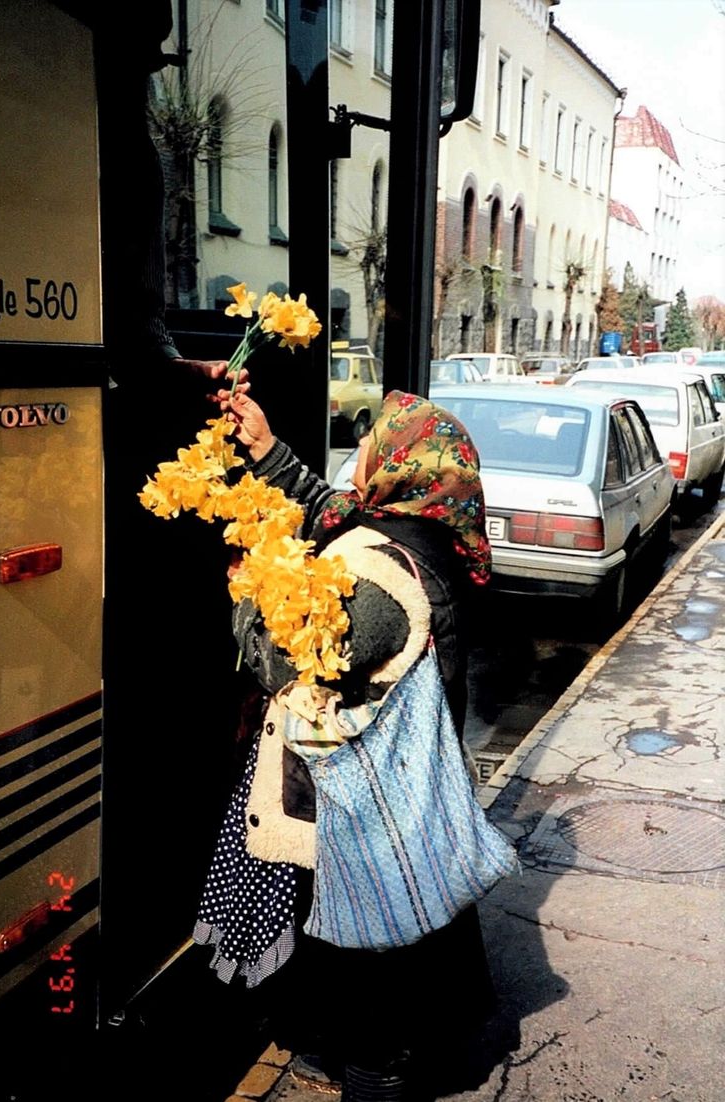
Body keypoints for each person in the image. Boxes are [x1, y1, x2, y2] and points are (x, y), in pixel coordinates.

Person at [193, 387, 498, 1102]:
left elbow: (286, 662)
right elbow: (328, 507)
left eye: (370, 444)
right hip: (393, 806)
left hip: (366, 822)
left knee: (372, 999)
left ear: (399, 464)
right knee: (371, 968)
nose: (358, 453)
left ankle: (374, 1073)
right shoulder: (419, 534)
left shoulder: (382, 575)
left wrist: (246, 591)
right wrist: (266, 448)